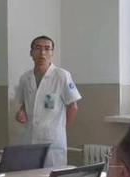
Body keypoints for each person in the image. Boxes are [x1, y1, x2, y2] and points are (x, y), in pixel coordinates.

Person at [14, 36, 81, 167]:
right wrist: (21, 112)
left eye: (47, 49)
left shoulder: (62, 76)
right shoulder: (25, 78)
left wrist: (59, 129)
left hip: (53, 144)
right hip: (29, 140)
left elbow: (73, 107)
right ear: (31, 53)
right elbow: (24, 104)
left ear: (52, 53)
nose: (42, 53)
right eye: (38, 48)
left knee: (51, 176)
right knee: (29, 176)